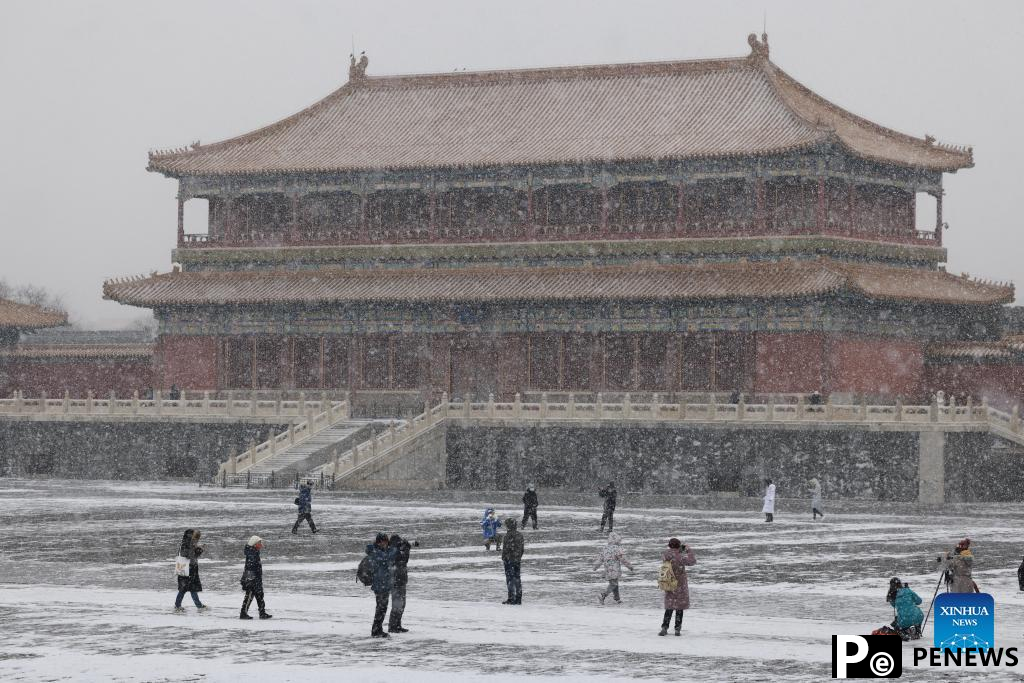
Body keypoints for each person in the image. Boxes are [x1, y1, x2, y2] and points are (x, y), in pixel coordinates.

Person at [659, 538, 696, 636]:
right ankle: (677, 629)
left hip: (669, 582)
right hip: (680, 584)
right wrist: (688, 550)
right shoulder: (681, 557)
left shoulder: (665, 554)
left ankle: (664, 627)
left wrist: (677, 549)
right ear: (678, 546)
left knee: (669, 607)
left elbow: (671, 554)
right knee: (679, 607)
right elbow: (692, 561)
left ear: (669, 545)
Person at [366, 532, 398, 637]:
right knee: (381, 608)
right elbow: (386, 559)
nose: (385, 544)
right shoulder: (375, 552)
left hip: (384, 584)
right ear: (379, 542)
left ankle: (378, 629)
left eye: (386, 541)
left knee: (382, 609)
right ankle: (375, 631)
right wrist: (394, 548)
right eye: (384, 541)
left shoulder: (379, 550)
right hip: (380, 585)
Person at [594, 532, 634, 605]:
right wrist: (629, 566)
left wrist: (595, 567)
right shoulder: (617, 549)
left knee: (614, 583)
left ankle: (617, 598)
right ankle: (603, 595)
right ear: (617, 540)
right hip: (614, 569)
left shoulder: (604, 548)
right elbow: (623, 559)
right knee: (613, 584)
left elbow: (600, 559)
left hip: (607, 570)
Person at [240, 535, 271, 620]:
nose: (261, 544)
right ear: (254, 544)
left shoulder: (254, 551)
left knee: (259, 594)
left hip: (256, 577)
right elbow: (250, 567)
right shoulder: (251, 552)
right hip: (251, 577)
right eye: (259, 542)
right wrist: (250, 580)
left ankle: (262, 612)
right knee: (249, 595)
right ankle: (243, 613)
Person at [174, 529, 206, 612]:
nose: (196, 539)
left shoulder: (186, 543)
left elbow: (189, 555)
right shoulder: (187, 544)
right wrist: (199, 550)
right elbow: (190, 556)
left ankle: (179, 605)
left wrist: (197, 549)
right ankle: (198, 606)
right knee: (190, 589)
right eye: (194, 536)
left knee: (186, 589)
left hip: (186, 569)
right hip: (188, 569)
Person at [388, 534, 414, 634]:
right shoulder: (393, 552)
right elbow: (403, 560)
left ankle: (397, 625)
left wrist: (406, 548)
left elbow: (404, 560)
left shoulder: (396, 551)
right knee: (397, 605)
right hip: (395, 582)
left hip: (401, 581)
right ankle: (393, 626)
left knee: (402, 605)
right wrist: (406, 548)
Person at [501, 518, 524, 605]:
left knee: (510, 579)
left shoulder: (508, 536)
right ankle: (518, 598)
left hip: (509, 560)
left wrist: (505, 558)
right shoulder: (520, 535)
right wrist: (518, 557)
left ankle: (511, 598)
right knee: (517, 579)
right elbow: (522, 549)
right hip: (517, 560)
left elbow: (506, 549)